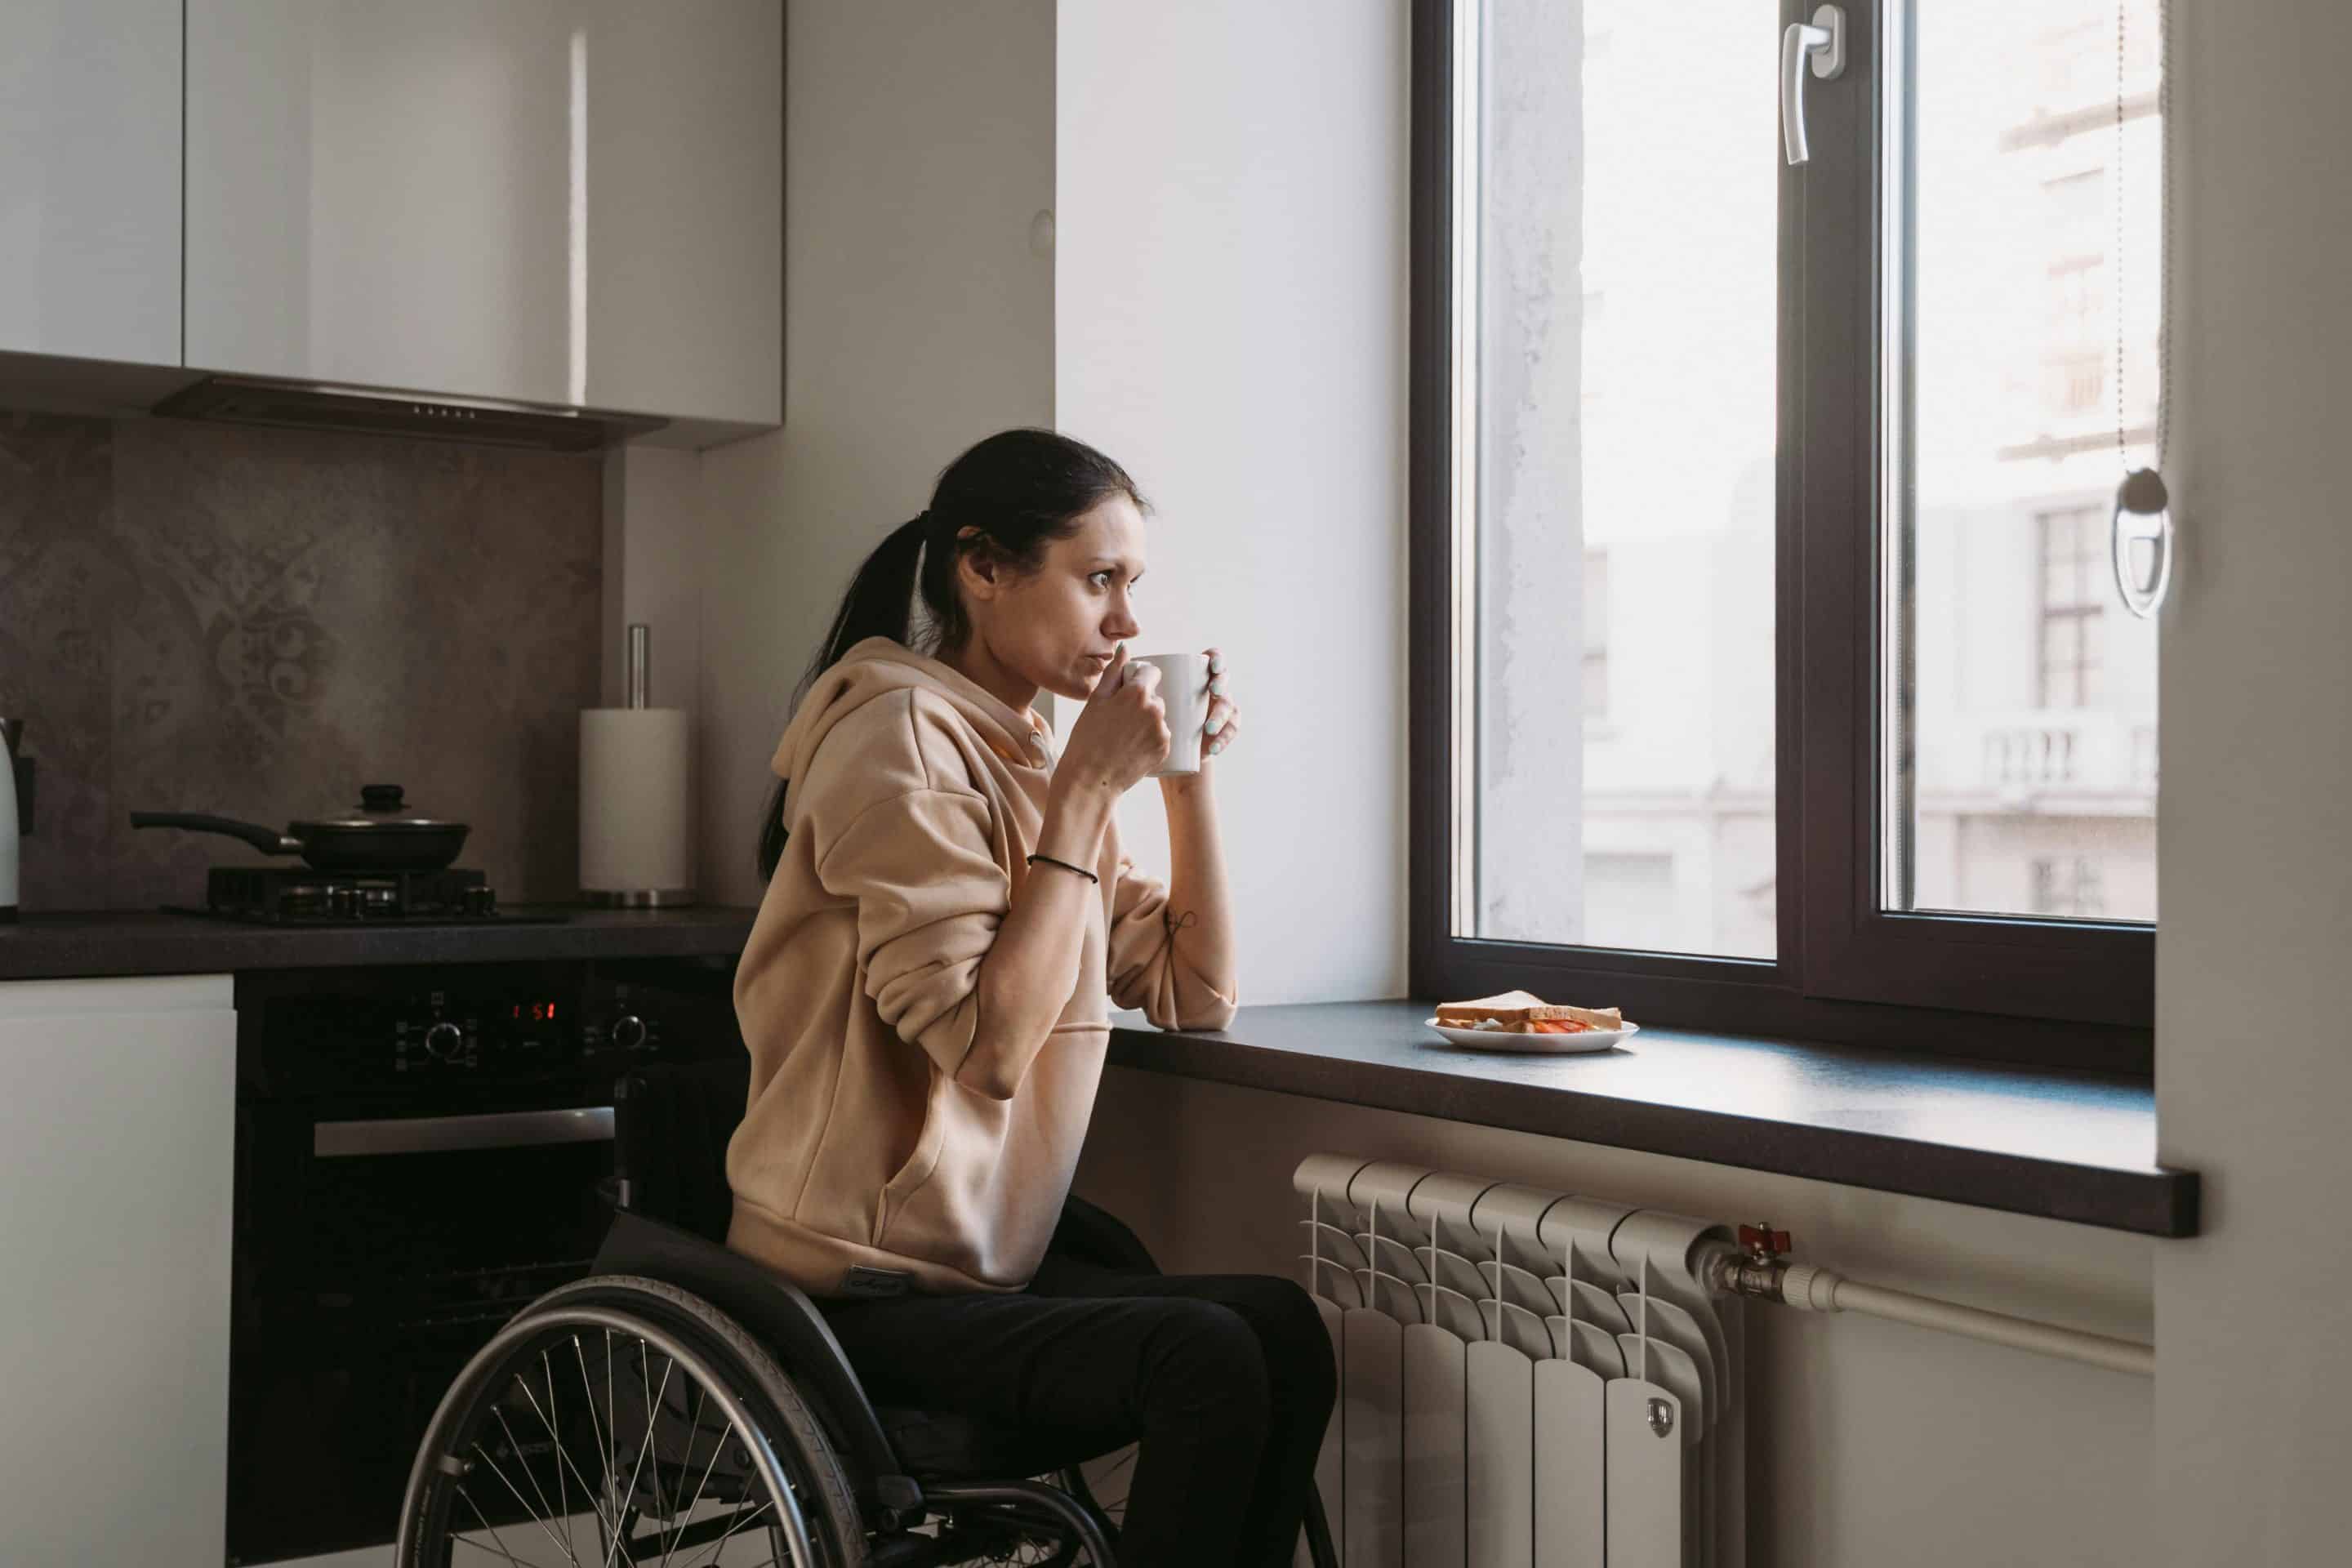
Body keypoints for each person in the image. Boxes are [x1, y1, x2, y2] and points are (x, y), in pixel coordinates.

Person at [724, 428, 1335, 1565]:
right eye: (1098, 579)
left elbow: (1198, 995)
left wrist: (1183, 786)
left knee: (1281, 1327)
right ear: (984, 568)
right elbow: (988, 1050)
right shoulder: (895, 738)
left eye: (1133, 585)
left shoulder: (1032, 763)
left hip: (970, 1260)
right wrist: (1088, 792)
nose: (1126, 624)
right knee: (1203, 1357)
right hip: (853, 1280)